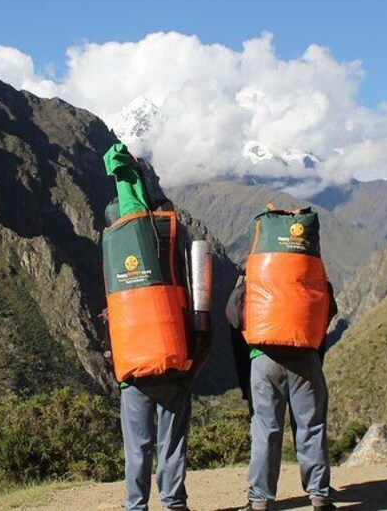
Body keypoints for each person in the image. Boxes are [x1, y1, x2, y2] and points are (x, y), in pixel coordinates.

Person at [101, 143, 212, 511]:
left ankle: (136, 505)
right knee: (172, 441)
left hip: (133, 371)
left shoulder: (115, 253)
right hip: (171, 363)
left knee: (137, 445)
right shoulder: (167, 241)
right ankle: (174, 503)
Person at [227, 205, 337, 511]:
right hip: (305, 356)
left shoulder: (255, 271)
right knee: (311, 425)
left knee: (266, 428)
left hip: (264, 357)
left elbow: (233, 314)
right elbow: (329, 309)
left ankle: (259, 500)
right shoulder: (311, 268)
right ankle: (319, 496)